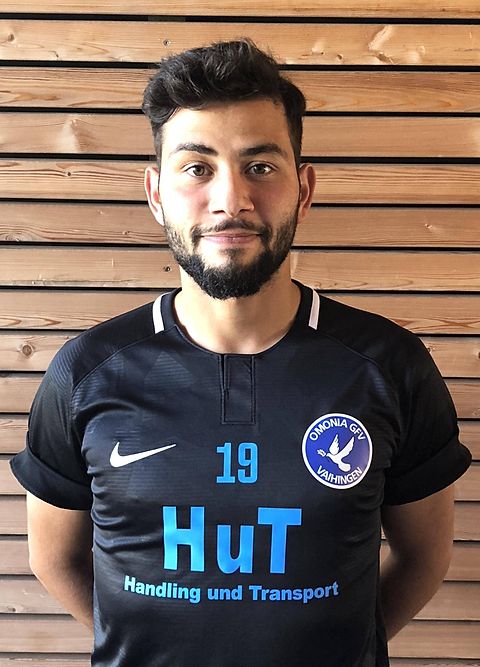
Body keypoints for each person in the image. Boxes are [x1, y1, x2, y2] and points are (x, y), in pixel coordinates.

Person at [11, 39, 471, 667]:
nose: (231, 200)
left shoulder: (391, 366)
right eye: (197, 168)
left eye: (260, 166)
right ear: (155, 193)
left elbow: (424, 557)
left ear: (303, 189)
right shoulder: (85, 372)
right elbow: (53, 558)